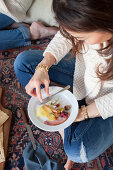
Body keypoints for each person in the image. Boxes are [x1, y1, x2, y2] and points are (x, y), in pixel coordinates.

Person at [14, 0, 113, 169]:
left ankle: (65, 126)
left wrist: (82, 113)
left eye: (81, 37)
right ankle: (64, 127)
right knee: (23, 63)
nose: (75, 38)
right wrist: (43, 67)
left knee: (77, 151)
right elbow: (67, 33)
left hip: (106, 102)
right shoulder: (85, 19)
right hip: (84, 78)